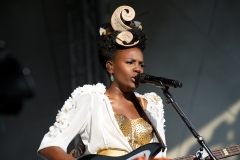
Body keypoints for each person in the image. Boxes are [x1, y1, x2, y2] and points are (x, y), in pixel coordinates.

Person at [38, 5, 167, 160]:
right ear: (110, 66)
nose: (138, 69)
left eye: (141, 64)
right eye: (130, 62)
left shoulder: (152, 106)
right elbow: (50, 146)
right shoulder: (91, 100)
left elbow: (161, 155)